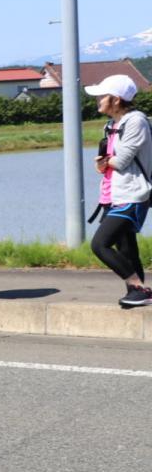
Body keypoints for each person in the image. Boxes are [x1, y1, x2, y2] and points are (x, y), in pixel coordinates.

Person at [86, 74, 152, 307]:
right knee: (126, 248)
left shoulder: (136, 121)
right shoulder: (112, 124)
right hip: (112, 194)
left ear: (115, 99)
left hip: (132, 194)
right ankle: (136, 296)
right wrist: (102, 163)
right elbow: (105, 163)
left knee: (99, 244)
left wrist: (106, 162)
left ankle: (139, 288)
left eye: (102, 96)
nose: (97, 100)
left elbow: (121, 160)